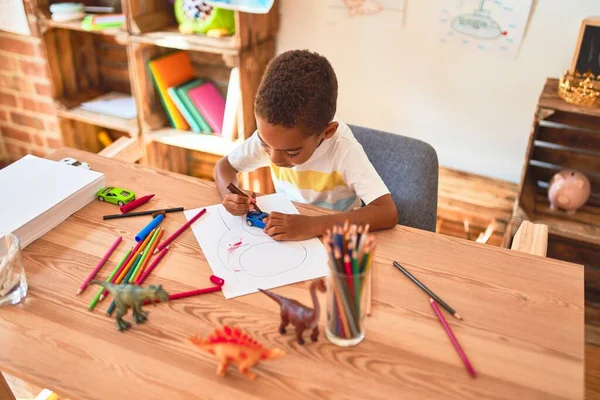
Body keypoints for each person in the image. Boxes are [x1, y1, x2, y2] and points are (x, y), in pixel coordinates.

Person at [214, 49, 398, 241]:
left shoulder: (343, 150)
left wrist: (312, 225)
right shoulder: (273, 138)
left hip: (338, 236)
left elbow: (387, 212)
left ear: (326, 133)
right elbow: (224, 167)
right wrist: (230, 195)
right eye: (264, 143)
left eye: (291, 152)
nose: (274, 159)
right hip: (292, 227)